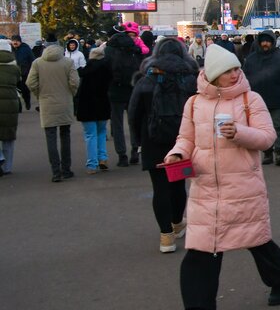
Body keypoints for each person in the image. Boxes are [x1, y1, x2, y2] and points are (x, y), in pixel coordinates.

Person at [164, 44, 280, 310]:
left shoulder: (251, 99)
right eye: (227, 71)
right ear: (212, 75)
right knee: (200, 250)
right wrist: (176, 154)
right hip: (206, 187)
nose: (235, 75)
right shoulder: (194, 104)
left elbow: (267, 138)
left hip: (243, 187)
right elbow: (186, 138)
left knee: (257, 241)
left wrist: (240, 133)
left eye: (236, 68)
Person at [129, 38, 200, 253]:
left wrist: (138, 142)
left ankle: (165, 237)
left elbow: (134, 113)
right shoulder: (191, 77)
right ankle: (178, 223)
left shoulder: (147, 78)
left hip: (153, 139)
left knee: (159, 188)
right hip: (182, 140)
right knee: (178, 184)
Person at [241, 30, 280, 167]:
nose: (265, 44)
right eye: (263, 41)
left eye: (268, 41)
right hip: (257, 100)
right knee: (261, 127)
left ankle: (279, 152)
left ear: (273, 42)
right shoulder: (251, 59)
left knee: (278, 125)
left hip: (279, 99)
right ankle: (267, 152)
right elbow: (244, 80)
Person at [27, 39, 79, 182]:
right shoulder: (68, 62)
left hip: (46, 102)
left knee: (50, 137)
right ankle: (66, 169)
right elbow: (75, 82)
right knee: (65, 135)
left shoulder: (37, 63)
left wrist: (39, 94)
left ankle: (55, 172)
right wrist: (70, 94)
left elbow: (30, 83)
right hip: (65, 102)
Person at [105, 23, 143, 166]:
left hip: (115, 91)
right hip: (132, 89)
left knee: (117, 124)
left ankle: (122, 155)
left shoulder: (109, 50)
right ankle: (135, 148)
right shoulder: (134, 49)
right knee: (133, 121)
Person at [75, 45, 112, 174]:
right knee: (101, 133)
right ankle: (103, 159)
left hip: (87, 106)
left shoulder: (85, 71)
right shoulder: (107, 71)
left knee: (90, 135)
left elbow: (79, 91)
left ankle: (92, 164)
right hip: (103, 105)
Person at [0, 38, 20, 177]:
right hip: (11, 102)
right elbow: (19, 80)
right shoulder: (14, 67)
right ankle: (7, 167)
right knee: (8, 136)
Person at [10, 35, 34, 110]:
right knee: (15, 91)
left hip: (24, 73)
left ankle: (27, 102)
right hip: (13, 74)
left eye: (17, 41)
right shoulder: (10, 49)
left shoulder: (26, 49)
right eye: (14, 41)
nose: (15, 42)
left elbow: (32, 60)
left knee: (25, 90)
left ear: (20, 41)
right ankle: (19, 107)